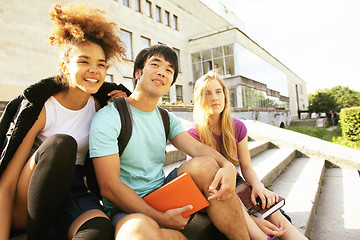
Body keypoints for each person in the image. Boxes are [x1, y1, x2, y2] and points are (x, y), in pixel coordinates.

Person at [89, 45, 250, 240]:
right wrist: (161, 218)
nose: (161, 72)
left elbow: (197, 148)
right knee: (137, 234)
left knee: (207, 165)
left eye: (169, 70)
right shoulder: (110, 117)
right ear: (138, 73)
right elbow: (109, 187)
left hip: (163, 194)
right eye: (155, 65)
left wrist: (228, 166)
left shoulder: (166, 118)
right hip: (128, 208)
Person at [0, 3, 130, 240]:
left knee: (99, 232)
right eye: (83, 61)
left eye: (101, 64)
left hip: (74, 192)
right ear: (64, 66)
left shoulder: (103, 106)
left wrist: (123, 105)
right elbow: (6, 184)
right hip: (30, 195)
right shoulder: (44, 107)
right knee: (62, 144)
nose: (94, 70)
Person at [187, 70, 308, 240]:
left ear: (225, 96)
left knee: (277, 216)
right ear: (199, 100)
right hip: (212, 188)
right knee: (257, 228)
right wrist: (251, 218)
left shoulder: (237, 127)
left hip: (235, 182)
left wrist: (258, 185)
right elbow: (203, 181)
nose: (214, 97)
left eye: (218, 92)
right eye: (207, 93)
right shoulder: (193, 134)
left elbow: (246, 167)